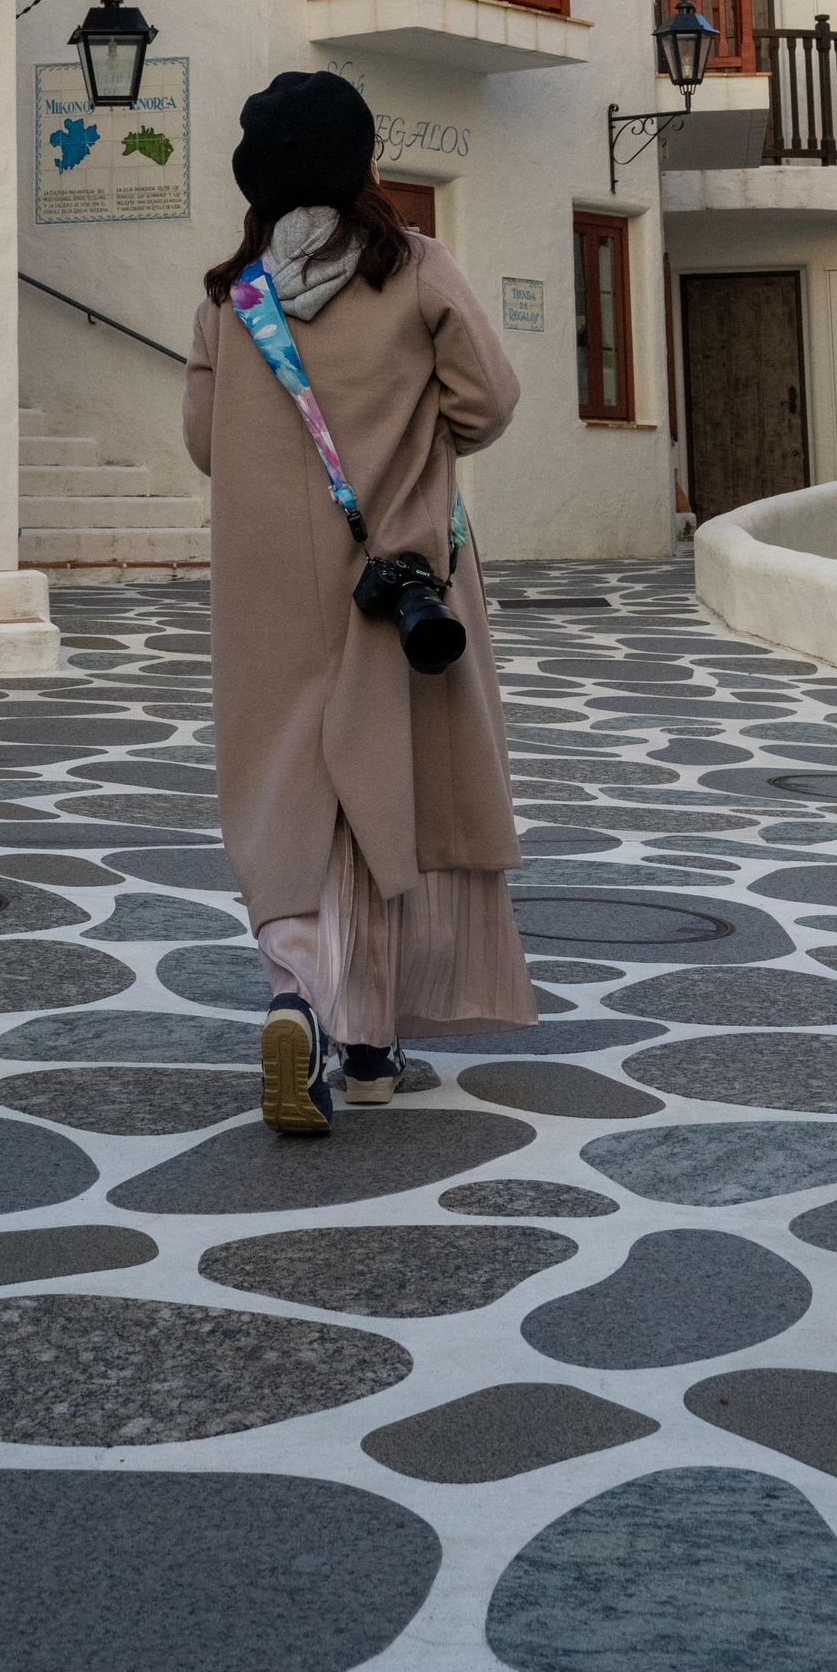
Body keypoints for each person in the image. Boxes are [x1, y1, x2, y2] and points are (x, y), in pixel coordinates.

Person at [184, 69, 536, 1134]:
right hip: (398, 577)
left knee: (289, 793)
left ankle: (299, 995)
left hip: (270, 591)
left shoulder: (231, 298)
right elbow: (488, 402)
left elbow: (205, 443)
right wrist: (415, 442)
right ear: (360, 162)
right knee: (387, 789)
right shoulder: (415, 267)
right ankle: (372, 1042)